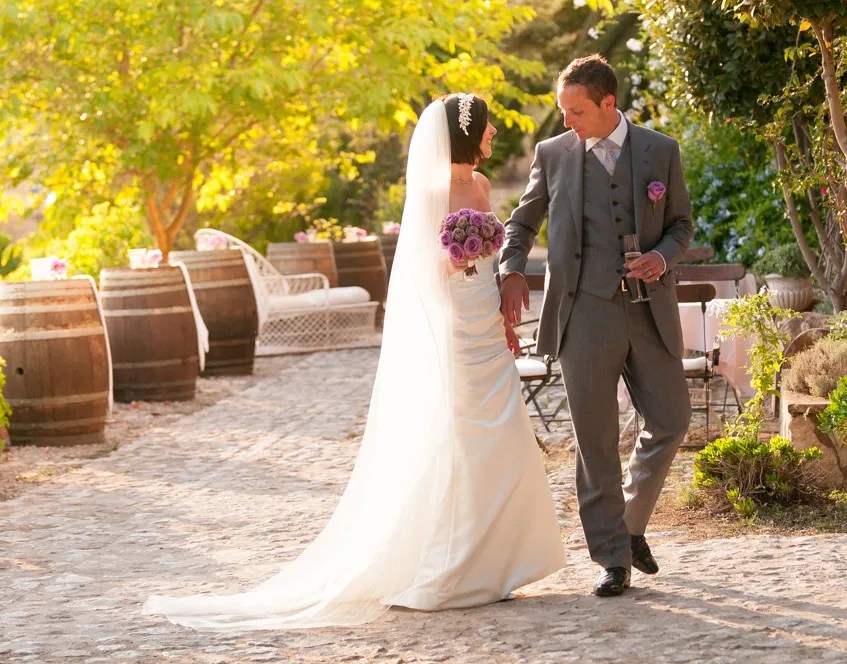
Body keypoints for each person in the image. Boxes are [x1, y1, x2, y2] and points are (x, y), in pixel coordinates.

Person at [142, 94, 565, 631]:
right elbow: (421, 270)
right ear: (467, 133)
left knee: (504, 436)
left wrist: (501, 311)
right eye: (486, 130)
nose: (492, 138)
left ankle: (498, 565)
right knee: (462, 438)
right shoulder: (431, 191)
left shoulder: (481, 187)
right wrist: (457, 257)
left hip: (487, 320)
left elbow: (495, 256)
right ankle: (451, 566)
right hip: (457, 321)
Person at [498, 54, 694, 597]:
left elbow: (680, 223)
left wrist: (662, 256)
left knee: (672, 420)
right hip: (584, 311)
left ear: (609, 104)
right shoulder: (553, 155)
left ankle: (629, 525)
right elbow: (522, 221)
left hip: (649, 307)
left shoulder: (661, 150)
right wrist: (511, 268)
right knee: (595, 440)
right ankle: (612, 558)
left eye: (577, 111)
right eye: (564, 110)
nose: (568, 122)